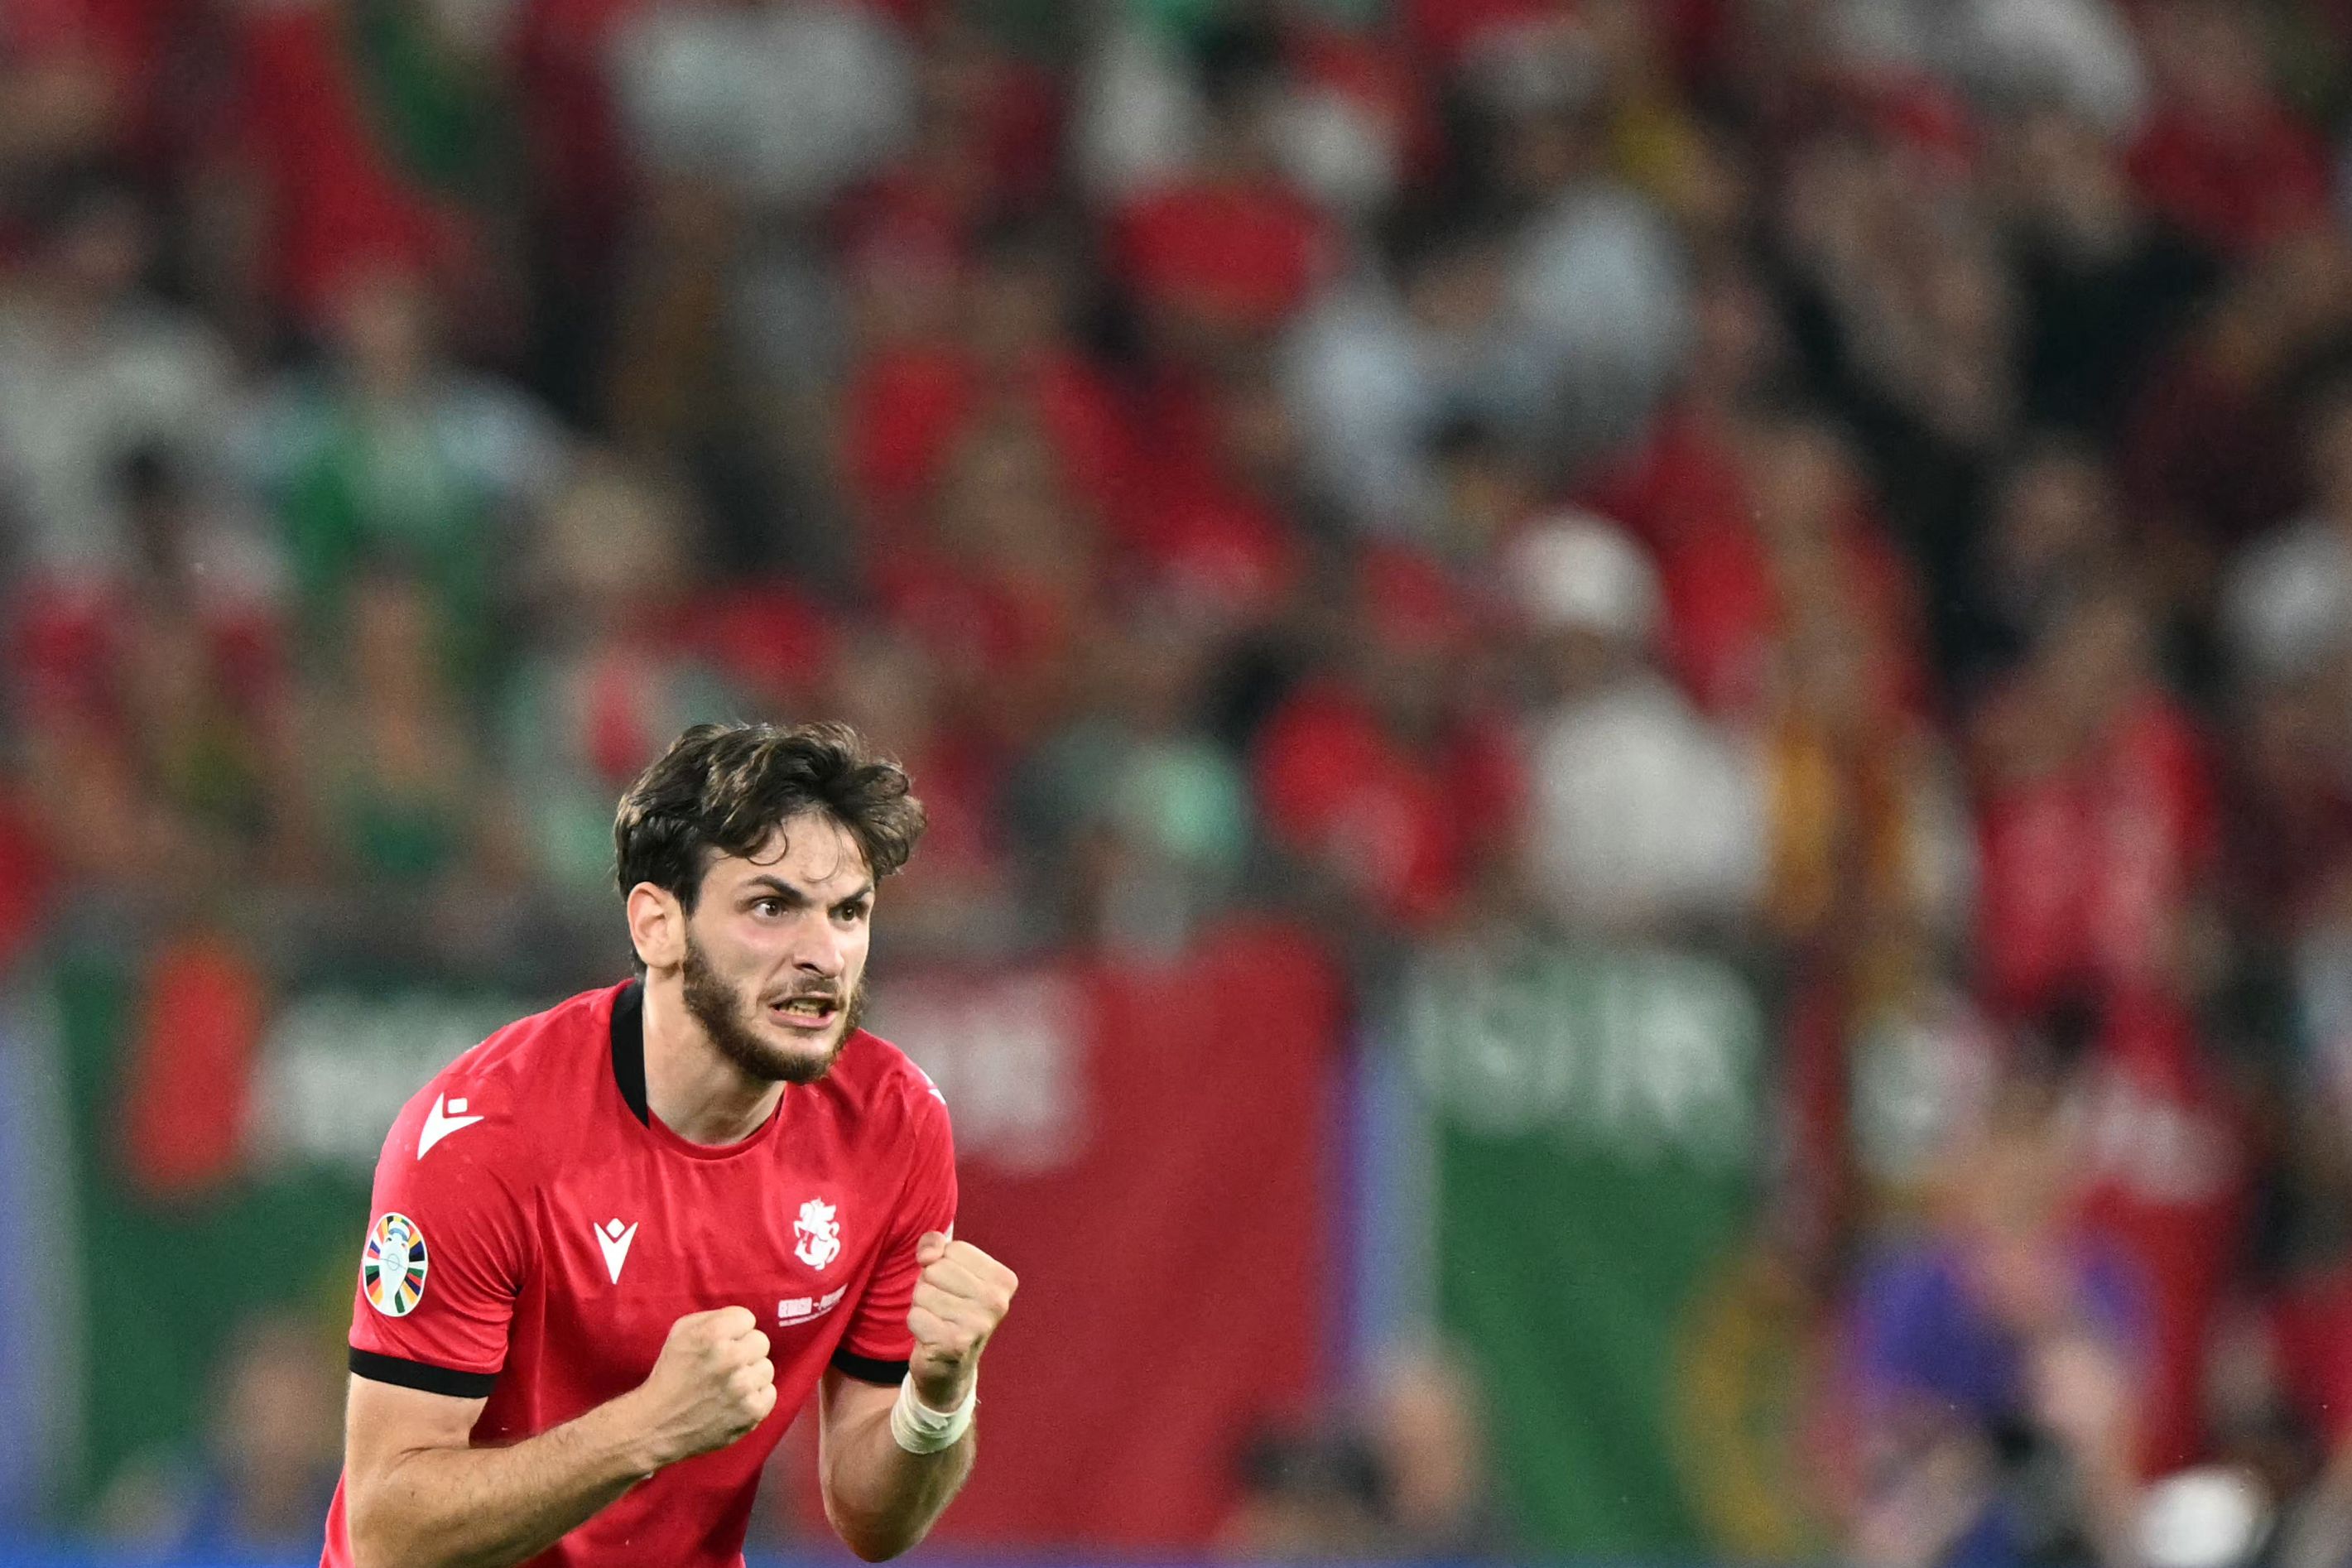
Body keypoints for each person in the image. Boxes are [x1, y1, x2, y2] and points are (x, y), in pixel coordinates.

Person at [320, 720, 1019, 1568]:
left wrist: (939, 1398)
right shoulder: (484, 1138)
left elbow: (874, 1523)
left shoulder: (893, 1123)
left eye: (849, 911)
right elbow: (389, 1533)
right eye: (771, 907)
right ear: (657, 925)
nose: (824, 954)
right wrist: (645, 1429)